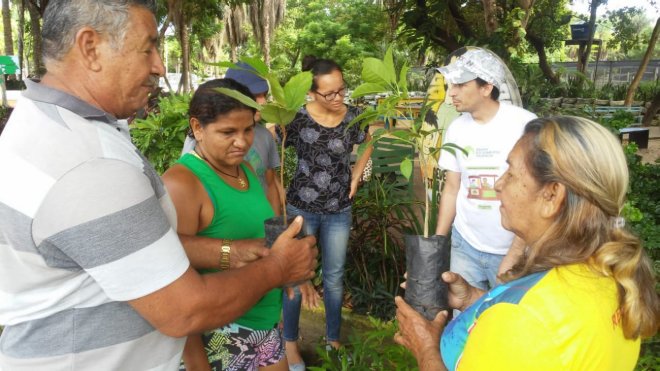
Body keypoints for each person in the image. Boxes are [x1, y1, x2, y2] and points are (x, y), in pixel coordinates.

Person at [0, 1, 317, 370]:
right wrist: (278, 267)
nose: (160, 66)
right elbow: (184, 311)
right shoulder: (88, 163)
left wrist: (229, 253)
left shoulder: (46, 127)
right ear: (90, 47)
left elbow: (139, 252)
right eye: (148, 47)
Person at [395, 116, 659, 370]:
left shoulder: (524, 322)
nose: (498, 184)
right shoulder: (608, 273)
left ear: (552, 195)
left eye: (510, 171)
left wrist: (425, 348)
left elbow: (528, 324)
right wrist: (474, 300)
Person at [162, 78, 287, 371]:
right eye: (228, 132)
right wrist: (197, 364)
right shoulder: (183, 183)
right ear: (197, 128)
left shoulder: (243, 168)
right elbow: (175, 283)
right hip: (223, 331)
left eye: (248, 129)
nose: (242, 142)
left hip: (264, 323)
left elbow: (259, 230)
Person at [280, 56, 373, 370]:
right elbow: (272, 145)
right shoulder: (297, 118)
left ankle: (333, 341)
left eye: (341, 90)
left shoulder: (354, 117)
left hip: (338, 211)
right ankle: (290, 345)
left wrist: (358, 172)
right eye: (329, 93)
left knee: (333, 278)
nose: (338, 99)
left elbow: (370, 139)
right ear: (312, 93)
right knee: (295, 277)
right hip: (300, 211)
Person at [435, 48, 537, 291]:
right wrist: (438, 243)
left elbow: (536, 193)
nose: (452, 93)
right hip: (465, 245)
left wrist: (515, 252)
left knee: (504, 322)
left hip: (511, 248)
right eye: (451, 85)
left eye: (460, 84)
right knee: (463, 320)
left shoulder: (525, 125)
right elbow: (451, 189)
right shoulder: (456, 129)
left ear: (486, 87)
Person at [182, 63, 283, 215]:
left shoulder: (265, 136)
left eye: (264, 94)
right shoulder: (197, 143)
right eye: (255, 96)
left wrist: (274, 227)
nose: (262, 103)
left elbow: (270, 182)